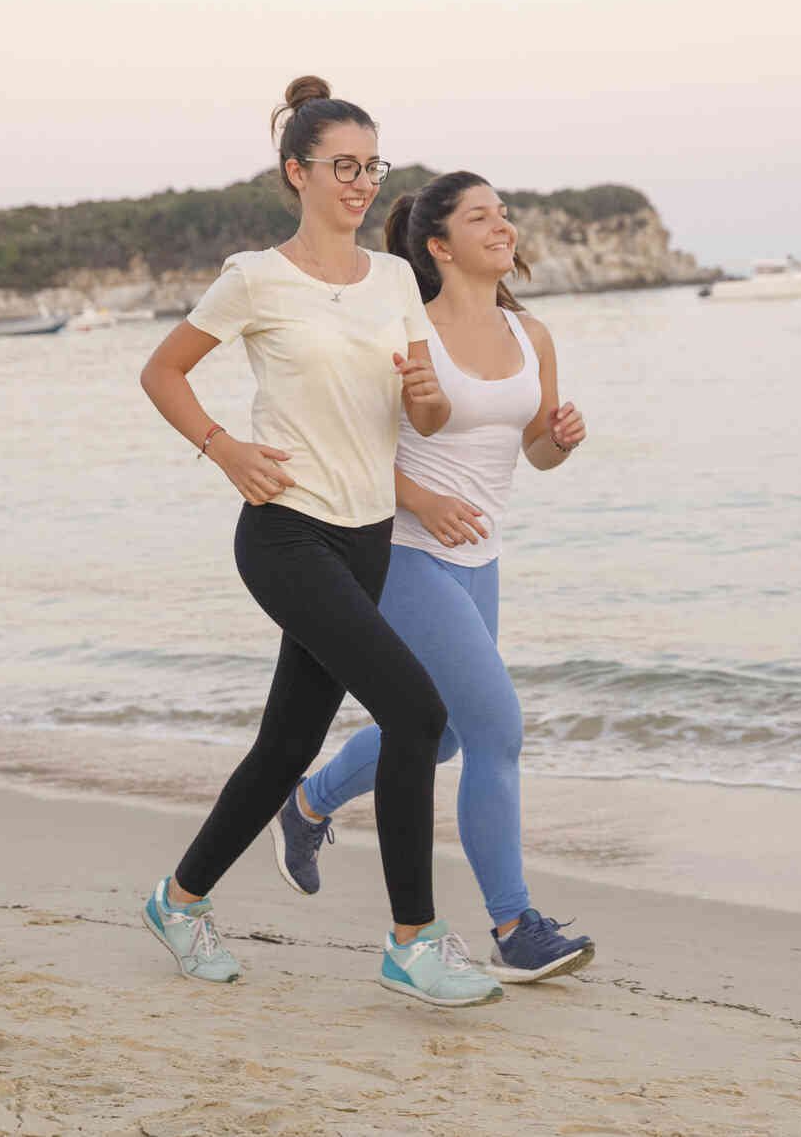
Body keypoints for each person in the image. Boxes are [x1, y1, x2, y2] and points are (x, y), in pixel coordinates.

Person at [134, 78, 502, 1008]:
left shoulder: (388, 282)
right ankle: (412, 943)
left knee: (287, 741)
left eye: (372, 165)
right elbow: (163, 371)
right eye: (343, 165)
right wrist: (224, 451)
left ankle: (177, 902)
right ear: (296, 173)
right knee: (418, 714)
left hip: (367, 537)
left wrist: (425, 397)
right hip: (285, 535)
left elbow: (423, 401)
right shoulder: (255, 277)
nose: (361, 182)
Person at [270, 171, 596, 982]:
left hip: (479, 557)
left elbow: (536, 454)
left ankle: (309, 803)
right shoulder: (403, 329)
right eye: (482, 216)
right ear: (440, 245)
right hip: (401, 550)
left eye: (507, 213)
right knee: (495, 730)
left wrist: (561, 436)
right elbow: (351, 445)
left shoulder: (534, 338)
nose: (505, 226)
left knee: (445, 733)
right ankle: (514, 925)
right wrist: (421, 498)